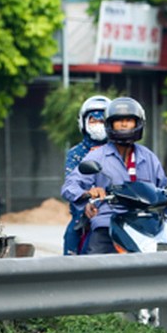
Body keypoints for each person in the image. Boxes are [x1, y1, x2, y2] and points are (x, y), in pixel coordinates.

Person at [61, 97, 167, 333]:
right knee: (93, 268)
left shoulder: (148, 157)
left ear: (138, 123)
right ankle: (92, 326)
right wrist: (89, 193)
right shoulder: (96, 155)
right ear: (111, 125)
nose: (123, 125)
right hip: (109, 220)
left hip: (148, 221)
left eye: (128, 120)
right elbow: (70, 185)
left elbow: (162, 185)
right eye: (118, 121)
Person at [62, 94, 110, 255]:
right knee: (72, 239)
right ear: (84, 122)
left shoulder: (120, 149)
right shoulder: (76, 153)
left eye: (102, 121)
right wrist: (87, 195)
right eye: (93, 121)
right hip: (86, 213)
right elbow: (71, 186)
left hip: (118, 210)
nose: (98, 125)